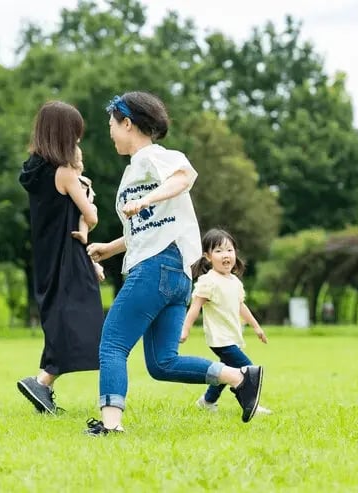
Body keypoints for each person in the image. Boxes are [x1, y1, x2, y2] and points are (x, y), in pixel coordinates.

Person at [84, 92, 263, 436]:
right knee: (162, 363)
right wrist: (110, 248)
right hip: (174, 275)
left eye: (112, 125)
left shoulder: (154, 156)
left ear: (128, 123)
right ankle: (240, 377)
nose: (109, 133)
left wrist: (145, 198)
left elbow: (183, 177)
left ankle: (111, 425)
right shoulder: (134, 171)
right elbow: (148, 227)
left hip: (156, 268)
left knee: (112, 344)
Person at [17, 101, 104, 414]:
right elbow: (90, 216)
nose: (78, 140)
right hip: (68, 253)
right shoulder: (65, 173)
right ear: (64, 135)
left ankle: (43, 385)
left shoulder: (35, 171)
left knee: (62, 318)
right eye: (75, 134)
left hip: (47, 256)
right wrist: (89, 199)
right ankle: (42, 382)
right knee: (84, 321)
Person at [180, 228, 272, 415]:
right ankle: (251, 404)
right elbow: (195, 307)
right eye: (219, 251)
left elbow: (240, 306)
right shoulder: (208, 281)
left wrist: (256, 327)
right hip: (220, 339)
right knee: (248, 369)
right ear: (207, 257)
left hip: (232, 336)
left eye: (229, 250)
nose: (225, 255)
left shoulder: (235, 282)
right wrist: (185, 330)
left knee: (224, 371)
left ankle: (207, 401)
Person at [69, 145, 105, 282]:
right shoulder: (76, 177)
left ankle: (84, 234)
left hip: (88, 210)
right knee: (83, 247)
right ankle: (95, 266)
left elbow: (89, 214)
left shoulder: (78, 180)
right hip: (85, 212)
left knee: (84, 221)